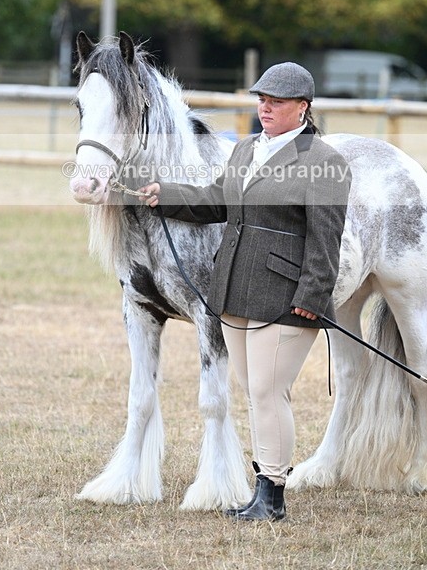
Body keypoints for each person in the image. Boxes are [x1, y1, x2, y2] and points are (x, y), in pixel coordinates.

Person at [140, 62, 351, 521]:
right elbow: (216, 200)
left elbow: (325, 240)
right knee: (254, 391)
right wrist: (165, 194)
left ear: (303, 108)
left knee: (269, 391)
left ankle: (272, 497)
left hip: (288, 298)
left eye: (276, 101)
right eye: (262, 99)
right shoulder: (245, 150)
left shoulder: (324, 162)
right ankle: (262, 492)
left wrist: (311, 299)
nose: (266, 107)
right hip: (234, 290)